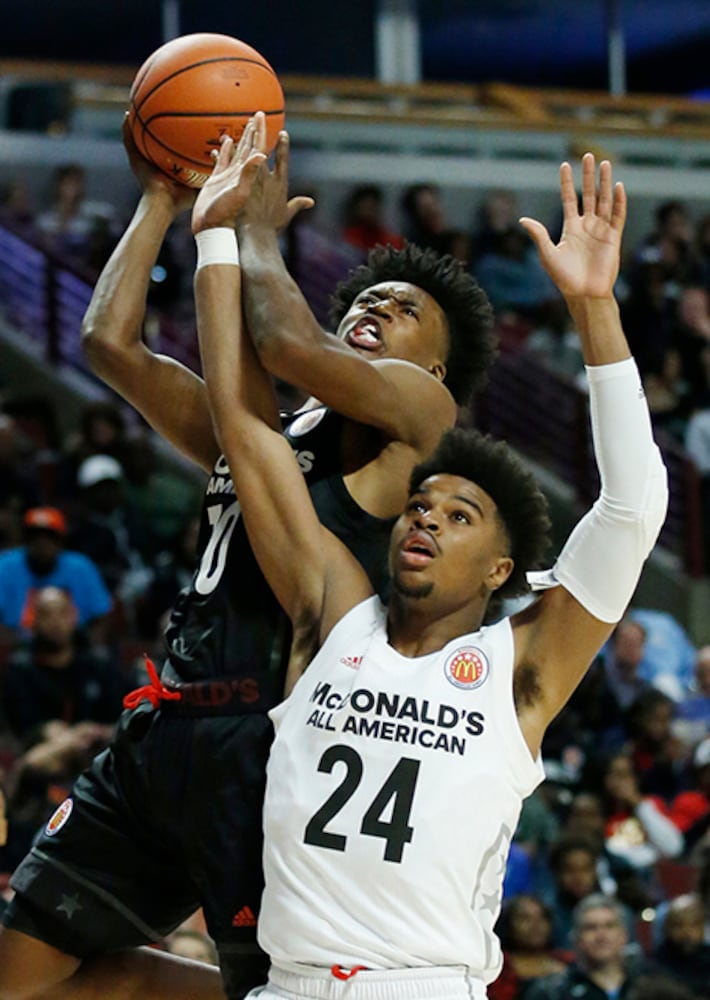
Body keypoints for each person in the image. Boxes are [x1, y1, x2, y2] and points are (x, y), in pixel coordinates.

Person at [0, 115, 497, 1000]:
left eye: (403, 307)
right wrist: (161, 193)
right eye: (364, 299)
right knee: (22, 976)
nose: (373, 307)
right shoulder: (263, 429)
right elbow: (109, 345)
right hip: (165, 731)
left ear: (441, 366)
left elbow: (285, 344)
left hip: (274, 747)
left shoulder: (421, 420)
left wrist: (252, 232)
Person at [195, 132, 666, 993]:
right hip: (288, 983)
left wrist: (596, 309)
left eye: (460, 515)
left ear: (499, 569)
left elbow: (633, 513)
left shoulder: (519, 666)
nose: (425, 519)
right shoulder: (335, 608)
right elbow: (244, 423)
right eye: (420, 504)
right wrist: (217, 237)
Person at [1, 586, 129, 742]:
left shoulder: (100, 664)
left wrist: (96, 731)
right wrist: (53, 733)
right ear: (33, 621)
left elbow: (123, 718)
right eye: (46, 615)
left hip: (101, 750)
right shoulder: (19, 670)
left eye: (62, 613)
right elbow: (22, 728)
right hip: (45, 755)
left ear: (74, 616)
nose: (55, 622)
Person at [526, 894, 651, 1000]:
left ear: (624, 936)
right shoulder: (552, 993)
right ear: (576, 939)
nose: (601, 936)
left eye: (609, 926)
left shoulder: (650, 987)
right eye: (591, 928)